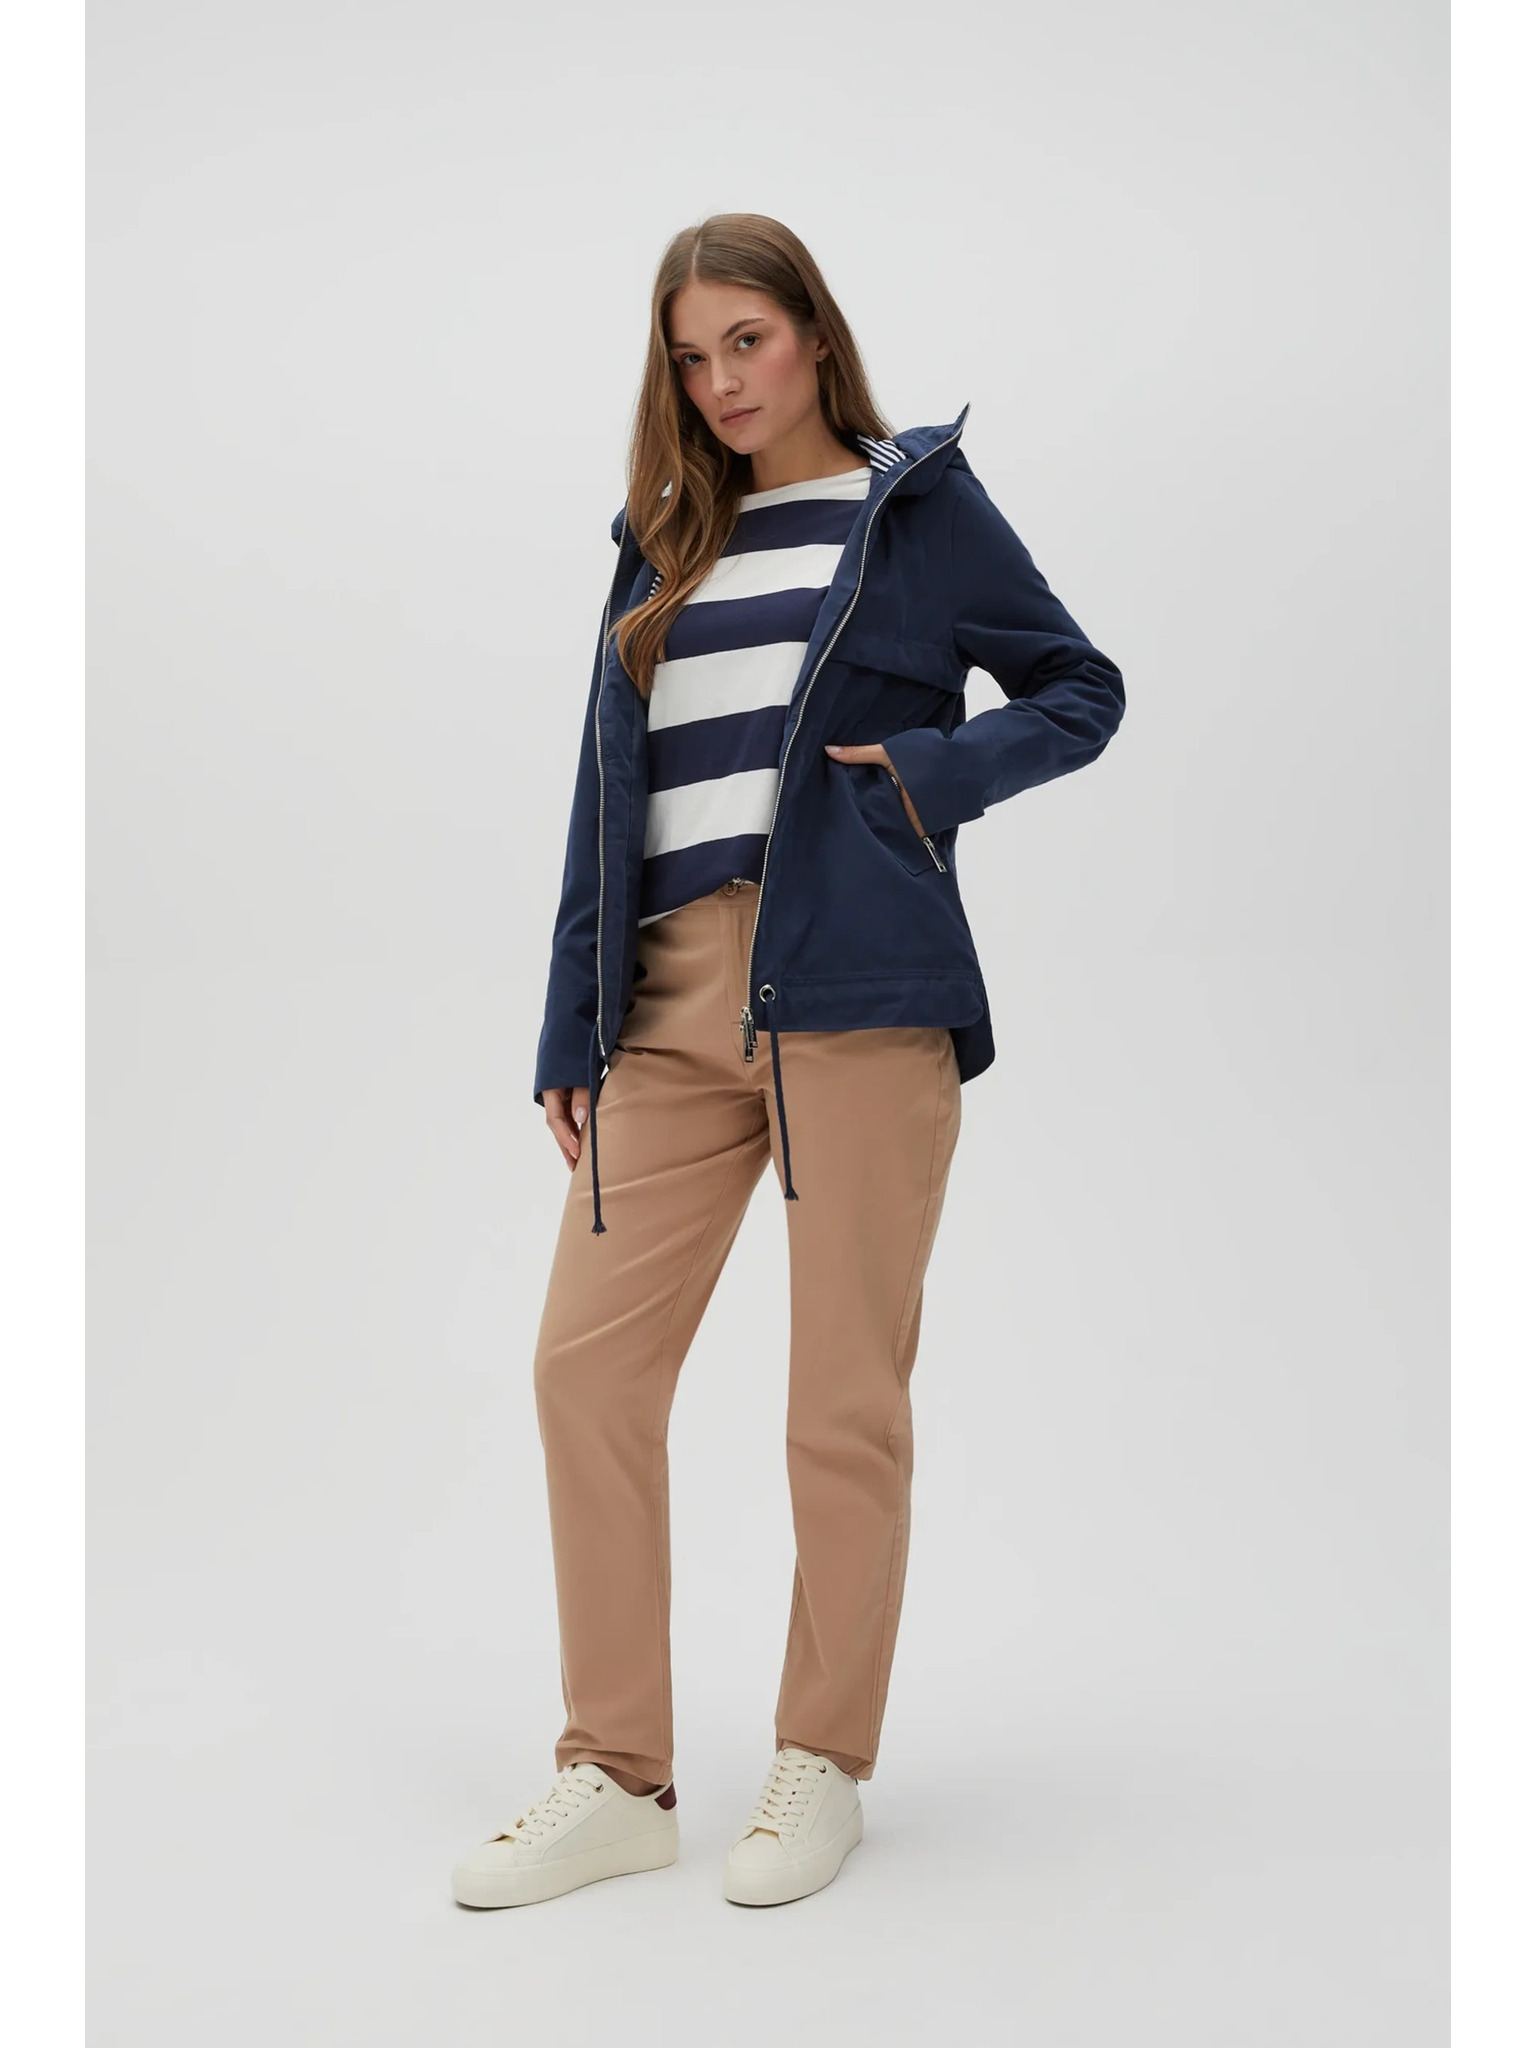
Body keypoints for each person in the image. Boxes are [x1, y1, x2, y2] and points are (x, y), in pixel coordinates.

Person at [452, 213, 1126, 1912]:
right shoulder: (665, 541)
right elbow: (606, 793)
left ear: (815, 334)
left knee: (839, 1404)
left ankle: (821, 1759)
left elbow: (1079, 686)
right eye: (691, 357)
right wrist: (571, 1021)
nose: (721, 382)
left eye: (745, 341)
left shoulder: (915, 507)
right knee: (584, 1373)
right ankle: (618, 1773)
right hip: (670, 1006)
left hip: (858, 994)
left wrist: (926, 777)